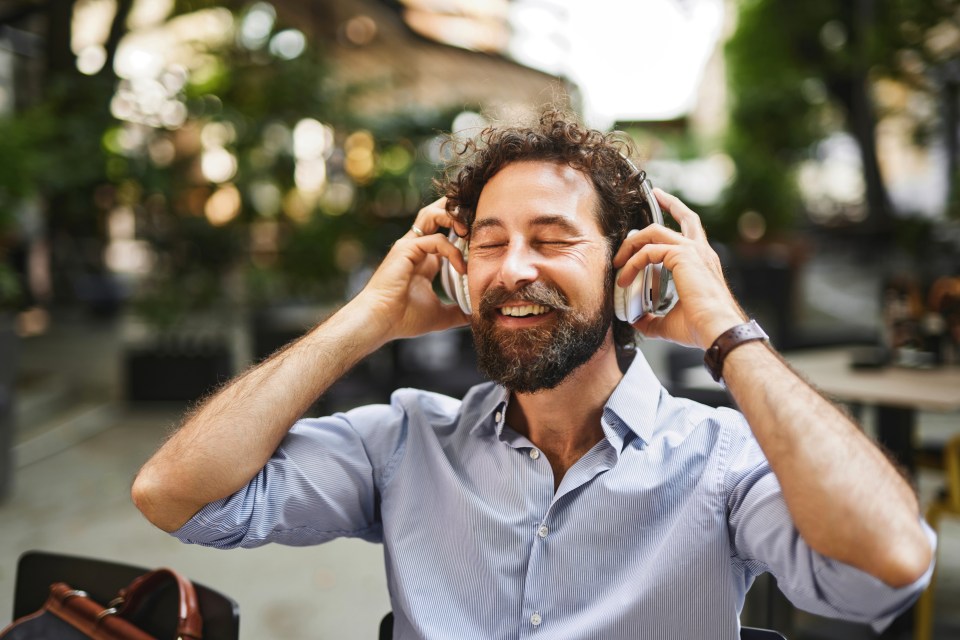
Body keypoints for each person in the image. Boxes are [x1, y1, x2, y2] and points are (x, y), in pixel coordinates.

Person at [131, 111, 934, 639]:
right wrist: (364, 321)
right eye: (488, 242)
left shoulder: (721, 460)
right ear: (456, 270)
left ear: (633, 270)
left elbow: (888, 565)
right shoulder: (406, 443)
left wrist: (729, 335)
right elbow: (175, 496)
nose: (513, 268)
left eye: (552, 239)